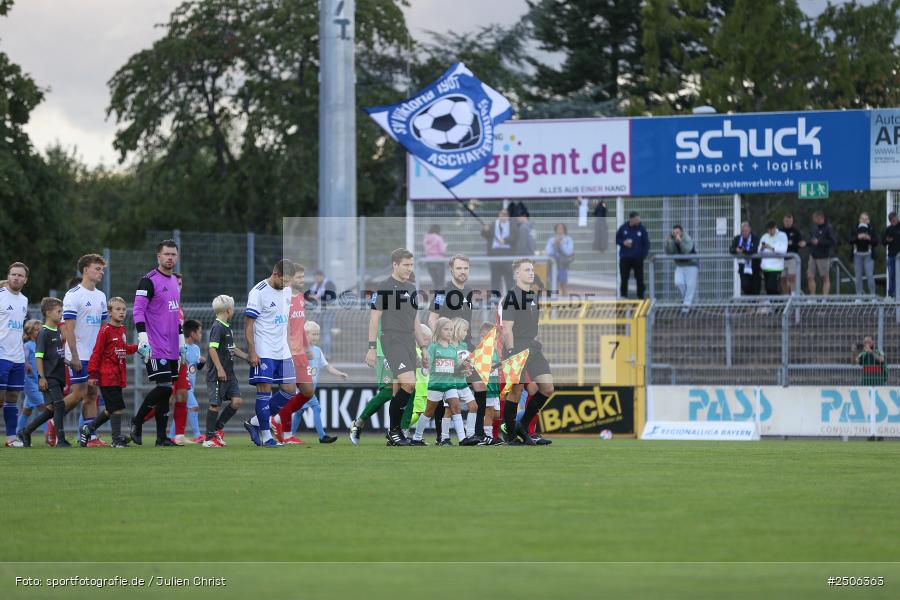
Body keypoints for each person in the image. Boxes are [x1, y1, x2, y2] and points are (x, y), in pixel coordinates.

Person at [365, 248, 431, 446]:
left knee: (399, 389)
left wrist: (424, 347)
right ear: (395, 264)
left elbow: (415, 321)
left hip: (409, 341)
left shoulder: (411, 289)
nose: (409, 269)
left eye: (411, 265)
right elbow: (374, 318)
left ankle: (396, 434)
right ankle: (394, 431)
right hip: (392, 340)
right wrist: (371, 347)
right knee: (409, 384)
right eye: (406, 265)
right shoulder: (384, 286)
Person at [427, 253, 487, 445]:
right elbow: (432, 318)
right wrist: (437, 344)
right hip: (447, 347)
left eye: (466, 268)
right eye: (459, 268)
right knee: (445, 389)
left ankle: (477, 434)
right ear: (451, 269)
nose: (463, 272)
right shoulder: (442, 293)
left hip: (465, 346)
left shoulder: (469, 291)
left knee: (480, 385)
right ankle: (442, 437)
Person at [129, 239, 184, 447]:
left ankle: (161, 438)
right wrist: (143, 337)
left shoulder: (174, 282)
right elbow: (137, 310)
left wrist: (180, 343)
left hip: (172, 347)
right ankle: (137, 420)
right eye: (166, 254)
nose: (170, 258)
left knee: (167, 391)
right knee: (164, 386)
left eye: (173, 254)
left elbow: (176, 315)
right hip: (155, 345)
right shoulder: (148, 281)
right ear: (158, 256)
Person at [501, 258, 554, 445]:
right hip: (517, 348)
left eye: (532, 269)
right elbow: (506, 328)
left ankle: (522, 425)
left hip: (533, 346)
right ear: (517, 274)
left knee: (547, 388)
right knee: (516, 390)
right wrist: (510, 351)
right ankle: (510, 434)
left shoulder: (532, 297)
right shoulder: (511, 297)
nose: (531, 272)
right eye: (527, 269)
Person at [243, 260, 296, 447]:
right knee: (264, 391)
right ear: (275, 275)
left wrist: (290, 346)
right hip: (264, 349)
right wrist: (252, 352)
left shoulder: (288, 291)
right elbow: (248, 326)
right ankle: (266, 437)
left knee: (290, 390)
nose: (287, 285)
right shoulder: (258, 292)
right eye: (285, 281)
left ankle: (255, 422)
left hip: (282, 350)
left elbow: (285, 321)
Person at [61, 254, 109, 446]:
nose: (101, 272)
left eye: (102, 269)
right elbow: (69, 329)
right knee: (79, 394)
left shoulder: (101, 296)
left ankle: (90, 437)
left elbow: (104, 327)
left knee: (91, 394)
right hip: (79, 353)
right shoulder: (73, 295)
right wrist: (74, 355)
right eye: (97, 268)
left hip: (95, 355)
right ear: (86, 270)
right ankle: (51, 418)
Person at [79, 297, 138, 448]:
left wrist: (138, 348)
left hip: (118, 375)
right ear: (110, 312)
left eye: (124, 309)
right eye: (117, 309)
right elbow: (96, 353)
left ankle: (88, 429)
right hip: (107, 375)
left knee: (110, 409)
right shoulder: (105, 331)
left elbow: (123, 349)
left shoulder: (122, 329)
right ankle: (116, 439)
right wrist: (92, 374)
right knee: (117, 407)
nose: (121, 312)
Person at [271, 263, 315, 444]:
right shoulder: (284, 299)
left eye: (303, 277)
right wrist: (288, 350)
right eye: (299, 277)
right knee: (298, 392)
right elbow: (285, 327)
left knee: (305, 392)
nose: (302, 280)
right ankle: (280, 425)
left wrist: (307, 348)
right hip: (289, 353)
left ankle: (282, 426)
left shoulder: (301, 299)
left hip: (300, 353)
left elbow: (300, 328)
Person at [16, 298, 67, 447]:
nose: (61, 314)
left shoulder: (58, 331)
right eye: (59, 311)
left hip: (59, 375)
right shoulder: (43, 333)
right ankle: (61, 440)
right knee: (60, 405)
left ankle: (25, 431)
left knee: (51, 410)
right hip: (49, 377)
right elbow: (39, 357)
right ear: (48, 313)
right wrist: (41, 377)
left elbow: (56, 354)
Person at [410, 318, 469, 445]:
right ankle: (417, 437)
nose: (449, 332)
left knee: (456, 408)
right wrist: (425, 367)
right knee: (428, 412)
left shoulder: (453, 349)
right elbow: (428, 365)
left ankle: (463, 439)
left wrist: (462, 367)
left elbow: (454, 369)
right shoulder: (433, 347)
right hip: (436, 385)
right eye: (446, 329)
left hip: (450, 385)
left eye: (451, 330)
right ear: (438, 330)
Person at [287, 321, 346, 444]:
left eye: (317, 334)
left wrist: (339, 373)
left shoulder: (318, 351)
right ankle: (322, 436)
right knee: (317, 407)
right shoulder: (299, 350)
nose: (316, 337)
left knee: (299, 411)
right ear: (305, 335)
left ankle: (289, 436)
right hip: (303, 387)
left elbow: (327, 366)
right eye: (313, 334)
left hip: (310, 388)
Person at [203, 295, 247, 448]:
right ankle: (208, 439)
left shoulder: (227, 327)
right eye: (233, 308)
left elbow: (232, 349)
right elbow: (212, 349)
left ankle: (217, 429)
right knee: (215, 405)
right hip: (218, 374)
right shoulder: (217, 327)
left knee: (237, 401)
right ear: (229, 310)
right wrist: (220, 369)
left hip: (230, 374)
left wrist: (248, 357)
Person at [1, 263, 29, 447]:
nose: (16, 278)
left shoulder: (24, 300)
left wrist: (25, 359)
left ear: (25, 279)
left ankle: (11, 438)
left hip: (17, 357)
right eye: (13, 274)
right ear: (8, 276)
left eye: (20, 275)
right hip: (1, 354)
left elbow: (19, 331)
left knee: (12, 398)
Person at [168, 319, 204, 443]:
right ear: (193, 333)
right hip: (183, 386)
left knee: (181, 410)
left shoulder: (196, 348)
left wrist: (201, 363)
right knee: (193, 407)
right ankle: (197, 435)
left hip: (191, 386)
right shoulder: (180, 347)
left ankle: (172, 435)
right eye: (199, 332)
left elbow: (194, 366)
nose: (201, 334)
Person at [16, 320, 45, 438]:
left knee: (27, 410)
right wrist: (26, 363)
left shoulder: (40, 345)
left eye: (40, 329)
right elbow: (23, 359)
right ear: (29, 332)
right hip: (30, 382)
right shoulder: (28, 346)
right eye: (36, 330)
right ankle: (50, 437)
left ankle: (18, 434)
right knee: (46, 408)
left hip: (38, 381)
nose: (39, 332)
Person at [616, 211, 650, 299]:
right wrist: (624, 242)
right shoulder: (623, 228)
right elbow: (617, 239)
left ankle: (641, 298)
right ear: (631, 219)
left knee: (639, 279)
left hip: (637, 259)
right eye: (636, 219)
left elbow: (646, 244)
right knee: (624, 278)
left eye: (639, 219)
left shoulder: (642, 229)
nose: (638, 221)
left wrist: (643, 255)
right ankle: (623, 297)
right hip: (625, 258)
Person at [481, 208, 514, 298]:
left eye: (506, 214)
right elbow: (485, 236)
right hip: (494, 255)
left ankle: (511, 300)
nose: (504, 216)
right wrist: (485, 230)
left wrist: (505, 240)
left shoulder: (512, 225)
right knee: (495, 280)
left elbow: (516, 237)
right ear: (499, 215)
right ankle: (495, 301)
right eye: (502, 214)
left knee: (509, 280)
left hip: (508, 255)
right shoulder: (492, 225)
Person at [664, 225, 698, 306]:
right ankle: (687, 301)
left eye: (677, 232)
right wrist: (668, 243)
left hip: (691, 264)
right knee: (678, 282)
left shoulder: (687, 238)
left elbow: (687, 250)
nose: (676, 234)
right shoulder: (672, 239)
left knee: (690, 285)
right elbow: (669, 252)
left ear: (681, 232)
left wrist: (680, 242)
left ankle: (686, 306)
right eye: (674, 233)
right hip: (680, 265)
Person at [306, 269, 337, 357]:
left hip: (328, 311)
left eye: (317, 277)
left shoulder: (329, 284)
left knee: (326, 332)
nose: (315, 279)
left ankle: (327, 353)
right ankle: (322, 351)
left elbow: (331, 297)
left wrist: (318, 297)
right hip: (318, 311)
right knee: (320, 332)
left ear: (321, 276)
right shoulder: (315, 285)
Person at [850, 212, 879, 296]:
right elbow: (850, 240)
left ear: (869, 220)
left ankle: (873, 296)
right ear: (859, 220)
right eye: (862, 219)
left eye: (866, 219)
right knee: (858, 277)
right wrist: (857, 237)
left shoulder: (871, 229)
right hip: (857, 255)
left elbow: (876, 242)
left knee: (870, 276)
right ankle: (858, 296)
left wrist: (869, 238)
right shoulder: (854, 228)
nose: (864, 221)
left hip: (868, 255)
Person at [808, 211, 835, 295]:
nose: (813, 220)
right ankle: (813, 297)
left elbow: (832, 241)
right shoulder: (814, 228)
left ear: (819, 218)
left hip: (823, 256)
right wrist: (805, 243)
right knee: (810, 276)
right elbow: (812, 239)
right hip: (813, 256)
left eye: (814, 218)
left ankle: (825, 298)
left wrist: (819, 242)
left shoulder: (828, 228)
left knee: (825, 278)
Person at [730, 222, 760, 296]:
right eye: (743, 231)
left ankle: (754, 304)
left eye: (746, 231)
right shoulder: (737, 238)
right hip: (743, 268)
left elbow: (754, 250)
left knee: (755, 288)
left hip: (754, 267)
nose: (744, 233)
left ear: (749, 230)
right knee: (745, 286)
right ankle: (749, 304)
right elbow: (731, 249)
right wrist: (736, 250)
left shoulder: (755, 238)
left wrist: (744, 251)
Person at [759, 221, 788, 296]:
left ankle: (779, 305)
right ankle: (774, 306)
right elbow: (758, 250)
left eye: (771, 229)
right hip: (765, 267)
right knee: (768, 288)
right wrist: (762, 248)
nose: (770, 232)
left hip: (776, 267)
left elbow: (783, 250)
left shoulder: (782, 236)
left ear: (775, 228)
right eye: (768, 230)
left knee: (772, 287)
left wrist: (770, 247)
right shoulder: (764, 236)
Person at [545, 223, 575, 297]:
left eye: (561, 228)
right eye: (558, 228)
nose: (560, 230)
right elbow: (548, 251)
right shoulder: (551, 240)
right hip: (552, 265)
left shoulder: (568, 239)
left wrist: (561, 245)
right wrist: (554, 244)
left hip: (563, 265)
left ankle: (565, 303)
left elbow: (569, 252)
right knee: (552, 284)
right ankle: (551, 302)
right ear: (555, 230)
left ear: (564, 230)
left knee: (563, 284)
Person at [780, 213, 805, 295]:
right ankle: (785, 296)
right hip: (781, 259)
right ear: (783, 221)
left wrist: (793, 243)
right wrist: (787, 243)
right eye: (786, 221)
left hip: (792, 258)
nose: (788, 223)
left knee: (792, 277)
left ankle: (794, 294)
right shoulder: (779, 231)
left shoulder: (796, 231)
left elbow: (800, 243)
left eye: (790, 221)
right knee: (783, 278)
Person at [423, 224, 447, 289]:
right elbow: (442, 251)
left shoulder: (426, 238)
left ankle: (436, 297)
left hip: (429, 261)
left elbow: (426, 250)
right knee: (441, 282)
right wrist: (445, 246)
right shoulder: (438, 238)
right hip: (439, 261)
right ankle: (439, 299)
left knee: (435, 282)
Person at [883, 212, 900, 298]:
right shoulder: (888, 229)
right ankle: (892, 294)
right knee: (892, 275)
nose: (894, 222)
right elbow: (883, 241)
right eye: (892, 221)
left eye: (895, 219)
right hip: (891, 256)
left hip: (899, 256)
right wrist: (888, 240)